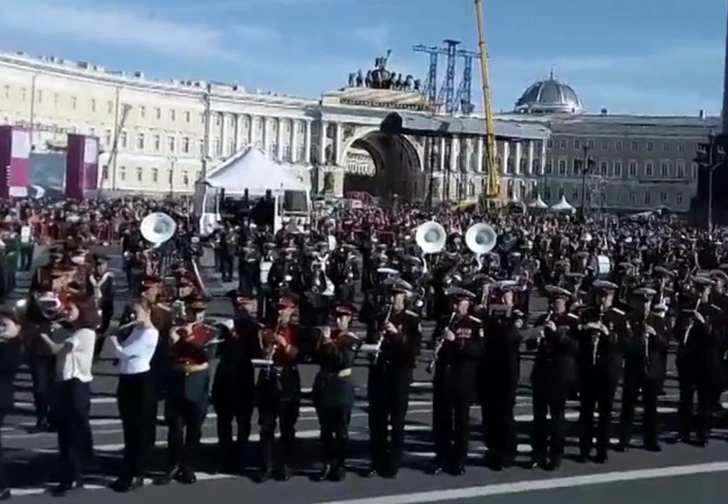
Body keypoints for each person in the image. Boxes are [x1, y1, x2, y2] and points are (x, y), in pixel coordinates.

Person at [36, 295, 98, 496]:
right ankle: (70, 472)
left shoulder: (84, 333)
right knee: (65, 432)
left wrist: (43, 334)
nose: (66, 312)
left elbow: (57, 349)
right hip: (65, 385)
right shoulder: (75, 331)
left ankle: (72, 476)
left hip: (75, 386)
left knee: (71, 433)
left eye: (71, 309)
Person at [108, 298, 159, 492]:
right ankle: (128, 466)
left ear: (147, 312)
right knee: (128, 427)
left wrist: (113, 338)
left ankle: (136, 472)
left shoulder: (150, 334)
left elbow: (125, 353)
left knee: (139, 430)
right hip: (127, 380)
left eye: (136, 312)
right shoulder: (136, 329)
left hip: (140, 383)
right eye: (131, 312)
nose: (132, 316)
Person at [430, 288, 483, 476]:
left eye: (460, 303)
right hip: (444, 377)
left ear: (467, 304)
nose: (457, 307)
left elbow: (477, 351)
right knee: (442, 420)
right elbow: (433, 339)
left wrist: (457, 343)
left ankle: (459, 460)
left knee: (461, 422)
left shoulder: (475, 324)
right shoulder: (445, 320)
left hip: (463, 378)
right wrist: (438, 341)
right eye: (455, 303)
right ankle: (441, 458)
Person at [255, 295, 301, 482]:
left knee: (287, 426)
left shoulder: (297, 330)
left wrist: (285, 345)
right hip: (269, 378)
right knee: (266, 426)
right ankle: (266, 465)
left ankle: (285, 465)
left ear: (292, 311)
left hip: (288, 378)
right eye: (279, 308)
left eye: (285, 308)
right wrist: (266, 351)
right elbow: (257, 351)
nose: (281, 312)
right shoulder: (266, 331)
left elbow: (300, 355)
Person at [312, 304, 360, 482]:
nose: (338, 320)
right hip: (324, 384)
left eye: (343, 317)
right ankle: (325, 462)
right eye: (336, 317)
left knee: (341, 430)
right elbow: (315, 357)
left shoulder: (351, 338)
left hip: (341, 386)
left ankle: (339, 464)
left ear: (349, 319)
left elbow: (344, 360)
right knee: (325, 430)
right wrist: (321, 340)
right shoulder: (328, 336)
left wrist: (328, 343)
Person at [0, 311, 24, 500]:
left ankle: (2, 485)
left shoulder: (13, 346)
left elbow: (7, 367)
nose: (0, 329)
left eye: (4, 325)